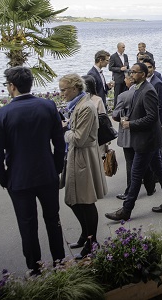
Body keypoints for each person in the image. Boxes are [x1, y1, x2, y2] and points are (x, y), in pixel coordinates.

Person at [0, 66, 65, 275]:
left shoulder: (1, 114)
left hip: (18, 177)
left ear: (12, 87)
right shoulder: (48, 106)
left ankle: (35, 267)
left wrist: (5, 179)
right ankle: (59, 261)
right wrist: (56, 168)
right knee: (53, 219)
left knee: (27, 224)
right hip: (47, 173)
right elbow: (59, 144)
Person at [105, 62, 162, 221]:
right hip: (148, 139)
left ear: (143, 75)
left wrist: (131, 124)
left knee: (136, 175)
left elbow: (153, 117)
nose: (131, 74)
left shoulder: (148, 90)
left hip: (147, 140)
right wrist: (129, 118)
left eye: (134, 72)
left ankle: (126, 210)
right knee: (158, 170)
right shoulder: (139, 88)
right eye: (131, 71)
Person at [58, 73, 107, 259]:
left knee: (84, 201)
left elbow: (78, 138)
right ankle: (86, 236)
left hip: (83, 158)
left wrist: (64, 129)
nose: (61, 93)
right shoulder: (79, 104)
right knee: (74, 200)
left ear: (76, 88)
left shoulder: (85, 107)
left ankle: (92, 242)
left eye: (64, 90)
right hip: (77, 157)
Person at [112, 71, 155, 200]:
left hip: (128, 133)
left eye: (125, 79)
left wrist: (122, 117)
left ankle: (129, 191)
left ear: (130, 80)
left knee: (130, 162)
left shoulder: (124, 95)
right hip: (142, 131)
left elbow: (115, 115)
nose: (124, 81)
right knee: (144, 160)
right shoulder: (145, 91)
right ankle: (150, 186)